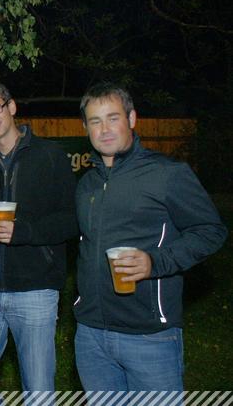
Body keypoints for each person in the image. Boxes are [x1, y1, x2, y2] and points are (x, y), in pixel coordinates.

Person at [74, 82, 228, 391]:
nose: (104, 129)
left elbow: (210, 231)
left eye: (113, 118)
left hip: (149, 336)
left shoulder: (167, 173)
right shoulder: (86, 183)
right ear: (86, 128)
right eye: (95, 121)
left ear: (131, 118)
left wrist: (154, 262)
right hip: (91, 335)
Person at [0, 82, 78, 392]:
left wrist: (23, 231)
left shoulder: (50, 156)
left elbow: (71, 220)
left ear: (11, 107)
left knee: (38, 390)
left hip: (35, 290)